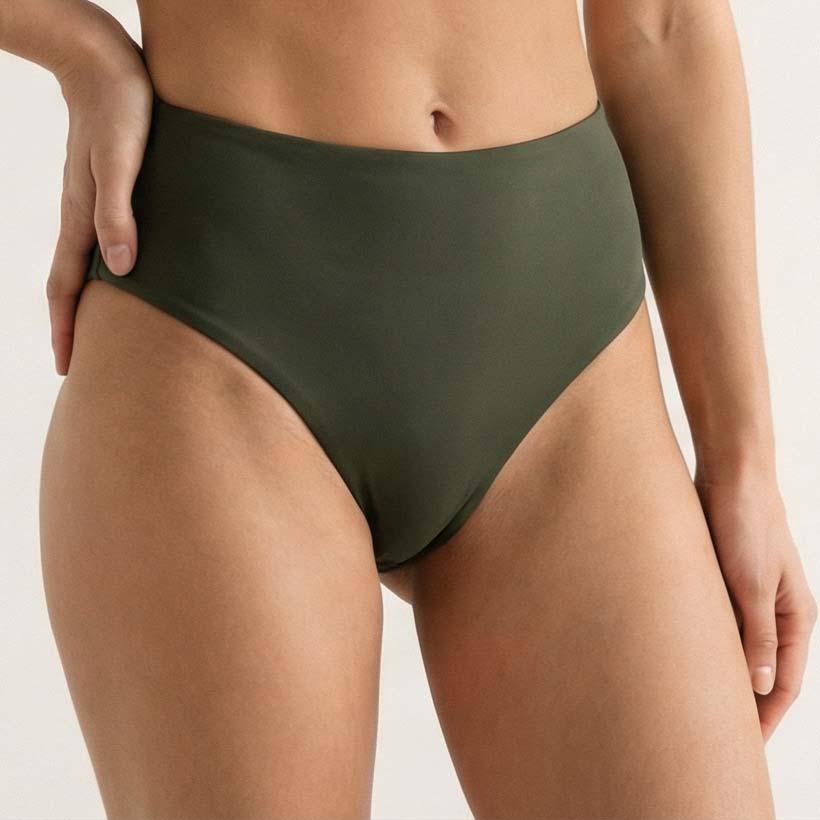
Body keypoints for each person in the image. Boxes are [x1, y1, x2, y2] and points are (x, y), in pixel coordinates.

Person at [3, 0, 815, 817]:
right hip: (223, 324)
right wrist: (82, 52)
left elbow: (663, 23)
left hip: (567, 361)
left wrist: (742, 463)